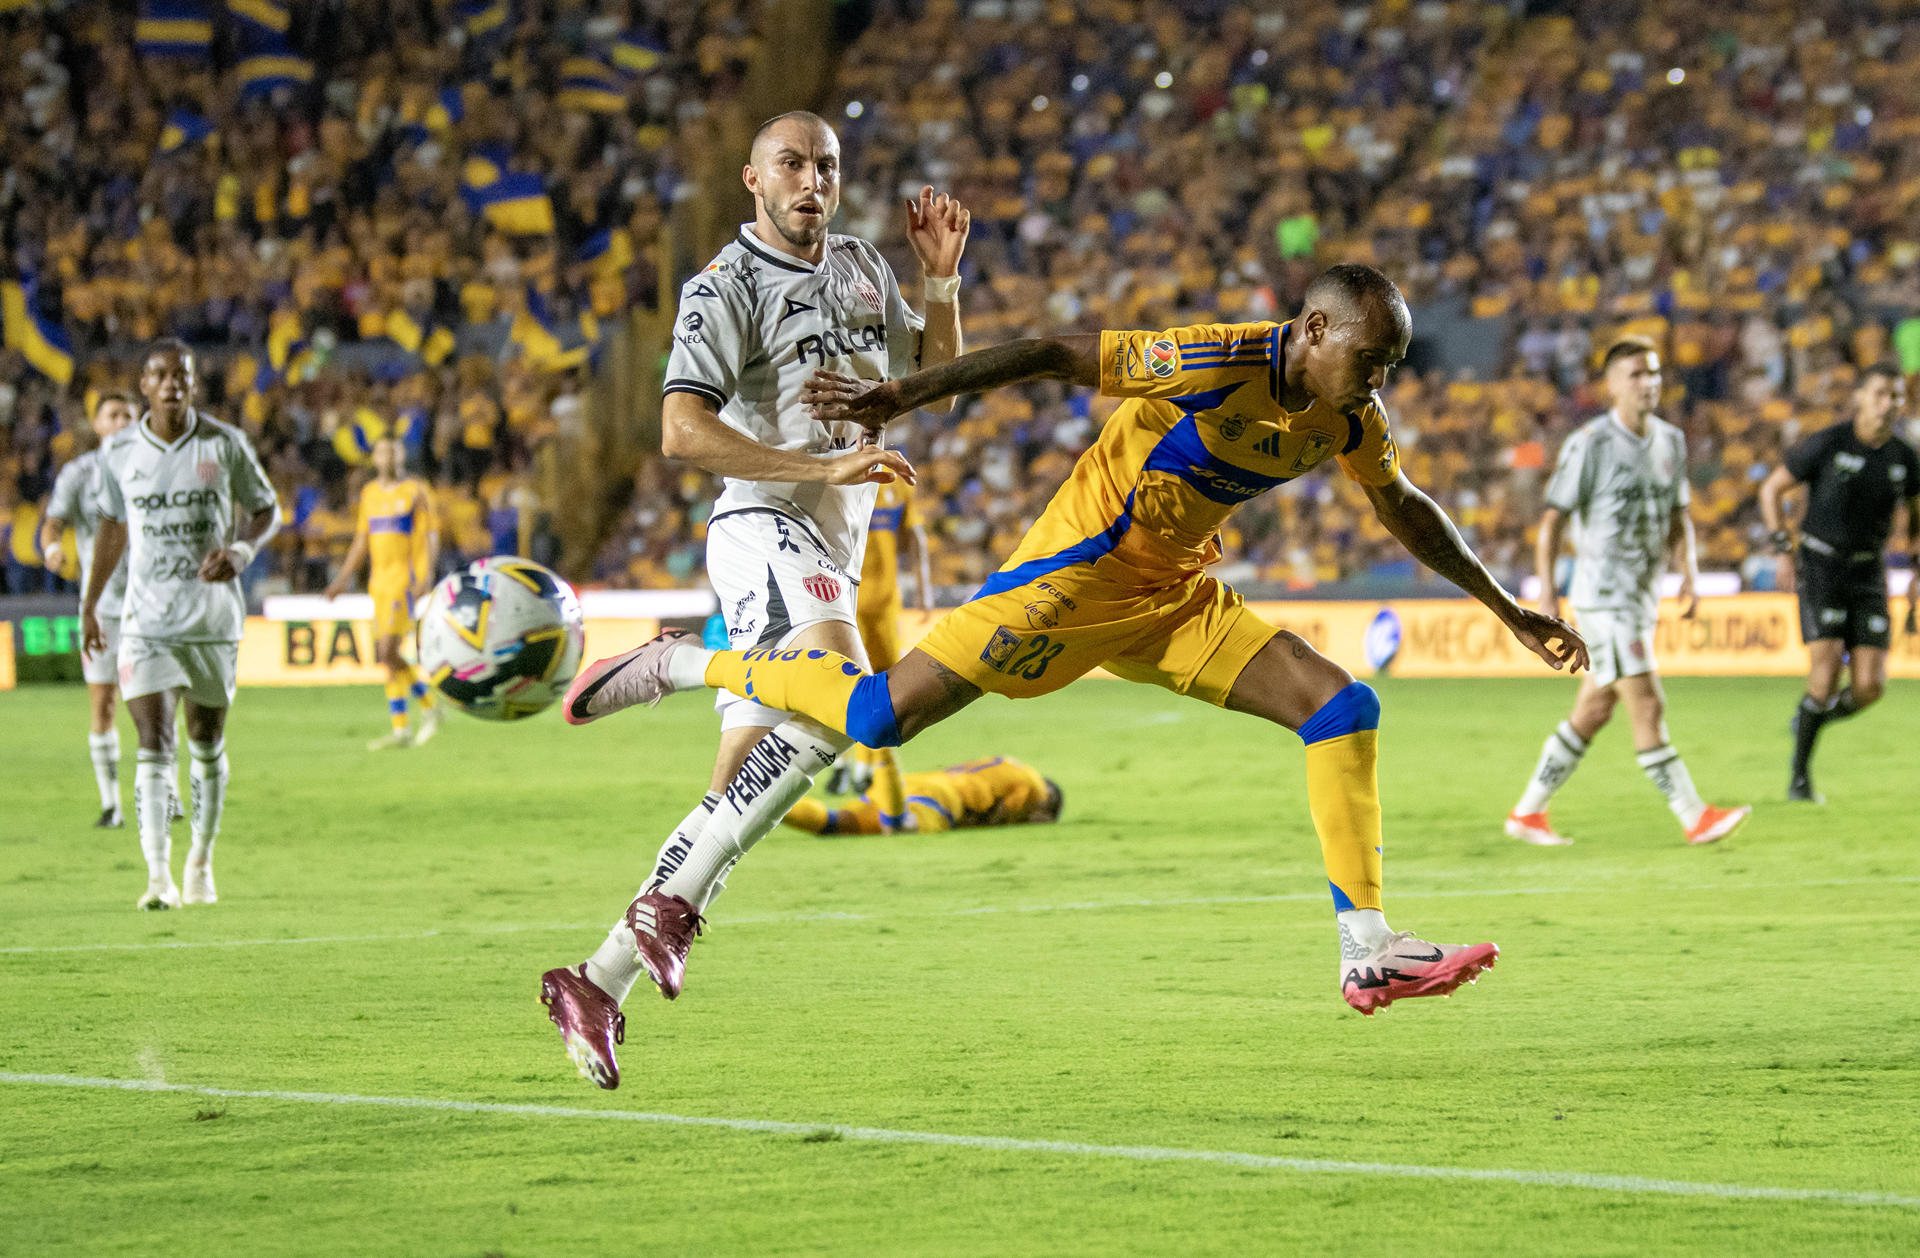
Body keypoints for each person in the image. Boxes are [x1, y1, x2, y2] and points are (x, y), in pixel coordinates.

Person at [578, 264, 1589, 1020]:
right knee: (878, 718)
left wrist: (1509, 608)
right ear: (1312, 329)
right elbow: (1061, 355)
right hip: (1066, 586)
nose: (1377, 382)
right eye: (1368, 359)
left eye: (1389, 367)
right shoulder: (1217, 360)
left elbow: (1406, 509)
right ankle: (683, 656)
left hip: (1173, 599)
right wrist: (903, 396)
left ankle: (1365, 947)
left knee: (1340, 705)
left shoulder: (1345, 418)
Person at [537, 110, 970, 1089]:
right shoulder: (721, 287)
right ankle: (682, 659)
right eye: (791, 162)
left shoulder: (862, 265)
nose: (812, 177)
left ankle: (597, 979)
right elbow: (682, 432)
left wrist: (941, 281)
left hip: (830, 542)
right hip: (763, 527)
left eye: (826, 163)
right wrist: (816, 459)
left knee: (744, 786)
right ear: (752, 179)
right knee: (850, 708)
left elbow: (933, 387)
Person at [1505, 337, 1750, 847]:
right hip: (1603, 599)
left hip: (1641, 598)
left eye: (1654, 373)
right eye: (1636, 374)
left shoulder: (1670, 441)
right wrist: (1548, 593)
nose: (1648, 383)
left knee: (1593, 711)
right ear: (1612, 385)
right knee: (1647, 705)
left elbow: (1680, 516)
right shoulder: (1591, 443)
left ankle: (1527, 814)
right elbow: (1552, 523)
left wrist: (1690, 573)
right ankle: (1693, 814)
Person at [81, 340, 282, 910]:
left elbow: (268, 509)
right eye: (159, 375)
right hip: (146, 621)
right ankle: (157, 877)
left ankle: (201, 860)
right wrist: (91, 605)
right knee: (154, 740)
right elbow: (111, 528)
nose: (171, 384)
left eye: (182, 375)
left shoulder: (225, 444)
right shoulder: (119, 451)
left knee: (205, 741)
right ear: (144, 385)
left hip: (212, 619)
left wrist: (242, 550)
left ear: (193, 385)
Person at [1758, 363, 1920, 802]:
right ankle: (1800, 779)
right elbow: (1771, 489)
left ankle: (1810, 719)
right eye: (1883, 394)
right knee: (1825, 672)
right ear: (1861, 398)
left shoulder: (1904, 458)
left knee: (1870, 688)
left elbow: (1918, 515)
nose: (1891, 404)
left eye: (1898, 396)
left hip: (1869, 571)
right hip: (1821, 566)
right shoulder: (1828, 443)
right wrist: (1781, 546)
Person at [39, 389, 137, 827]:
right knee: (103, 703)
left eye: (128, 415)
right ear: (96, 425)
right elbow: (52, 522)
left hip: (149, 607)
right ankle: (112, 803)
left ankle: (165, 794)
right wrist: (53, 549)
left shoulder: (155, 470)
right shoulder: (79, 474)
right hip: (100, 607)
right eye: (112, 415)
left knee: (158, 702)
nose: (120, 421)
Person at [826, 474, 935, 827]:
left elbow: (915, 537)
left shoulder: (898, 483)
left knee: (883, 687)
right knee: (848, 682)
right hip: (844, 600)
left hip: (886, 602)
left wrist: (924, 590)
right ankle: (849, 764)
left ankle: (860, 765)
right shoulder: (839, 474)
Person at [323, 435, 442, 750]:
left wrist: (426, 574)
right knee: (388, 657)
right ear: (374, 458)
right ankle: (402, 728)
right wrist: (341, 579)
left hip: (405, 579)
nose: (387, 457)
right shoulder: (369, 493)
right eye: (382, 452)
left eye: (393, 451)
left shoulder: (416, 491)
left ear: (402, 456)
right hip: (378, 583)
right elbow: (361, 540)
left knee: (387, 652)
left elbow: (430, 534)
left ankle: (431, 707)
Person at [784, 755, 1061, 835]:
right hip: (939, 800)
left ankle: (769, 805)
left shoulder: (1006, 763)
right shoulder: (1034, 786)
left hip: (913, 783)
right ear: (1048, 801)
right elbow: (1001, 815)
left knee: (837, 823)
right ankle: (883, 754)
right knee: (901, 828)